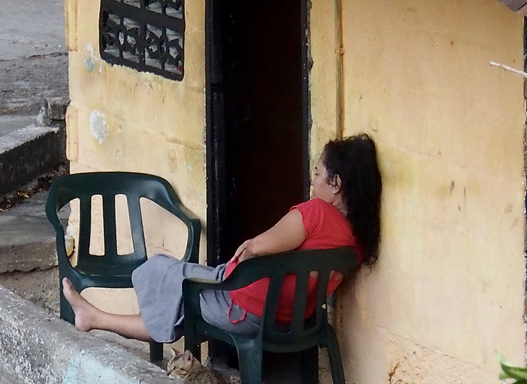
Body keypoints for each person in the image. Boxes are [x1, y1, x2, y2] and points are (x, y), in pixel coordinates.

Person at [61, 134, 382, 344]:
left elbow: (254, 248)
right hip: (293, 319)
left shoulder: (317, 213)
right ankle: (94, 318)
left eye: (317, 173)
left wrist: (228, 272)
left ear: (336, 182)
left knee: (161, 270)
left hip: (247, 311)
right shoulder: (356, 239)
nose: (312, 183)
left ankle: (96, 317)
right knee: (181, 294)